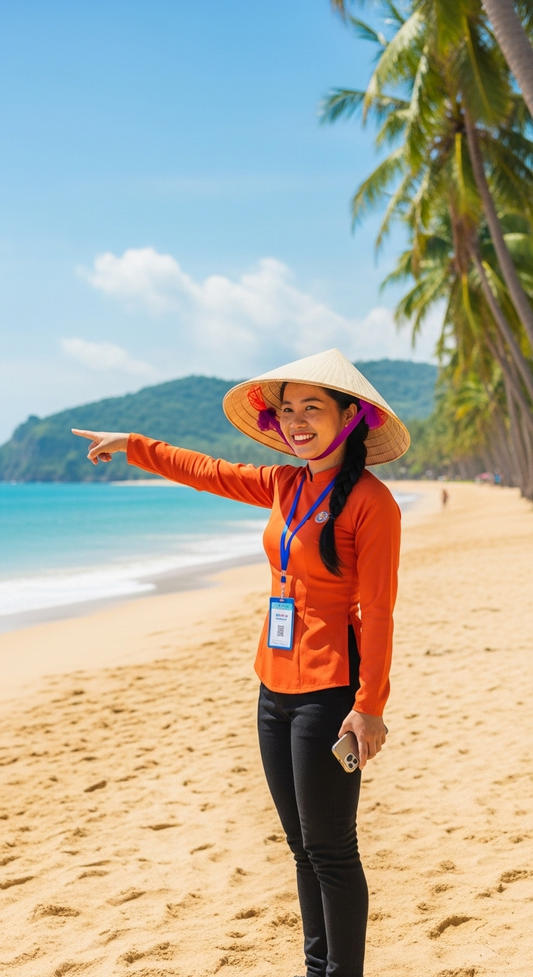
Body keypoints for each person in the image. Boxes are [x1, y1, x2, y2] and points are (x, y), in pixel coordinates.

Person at [72, 348, 410, 977]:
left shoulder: (372, 502)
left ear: (349, 417)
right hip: (272, 687)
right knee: (301, 848)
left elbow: (381, 612)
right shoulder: (284, 484)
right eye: (288, 410)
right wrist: (134, 445)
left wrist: (369, 707)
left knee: (332, 850)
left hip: (330, 691)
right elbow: (208, 470)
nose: (298, 421)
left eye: (313, 407)